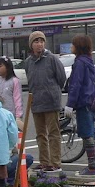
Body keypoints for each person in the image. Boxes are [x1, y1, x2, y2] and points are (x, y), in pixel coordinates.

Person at [23, 30, 66, 172]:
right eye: (36, 41)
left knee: (53, 133)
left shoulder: (52, 58)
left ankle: (55, 162)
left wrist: (53, 91)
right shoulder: (29, 62)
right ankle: (44, 162)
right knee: (40, 134)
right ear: (31, 45)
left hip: (51, 101)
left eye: (41, 41)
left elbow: (61, 78)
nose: (39, 44)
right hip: (36, 102)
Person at [64, 34, 95, 177]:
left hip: (83, 102)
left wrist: (69, 104)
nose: (71, 47)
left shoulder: (79, 62)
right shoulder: (88, 61)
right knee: (89, 131)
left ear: (78, 46)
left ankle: (92, 167)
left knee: (86, 134)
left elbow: (76, 85)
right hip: (92, 100)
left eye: (73, 44)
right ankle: (92, 166)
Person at [0, 56, 23, 123]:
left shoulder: (14, 81)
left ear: (7, 67)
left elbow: (18, 99)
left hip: (10, 114)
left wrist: (18, 116)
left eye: (0, 66)